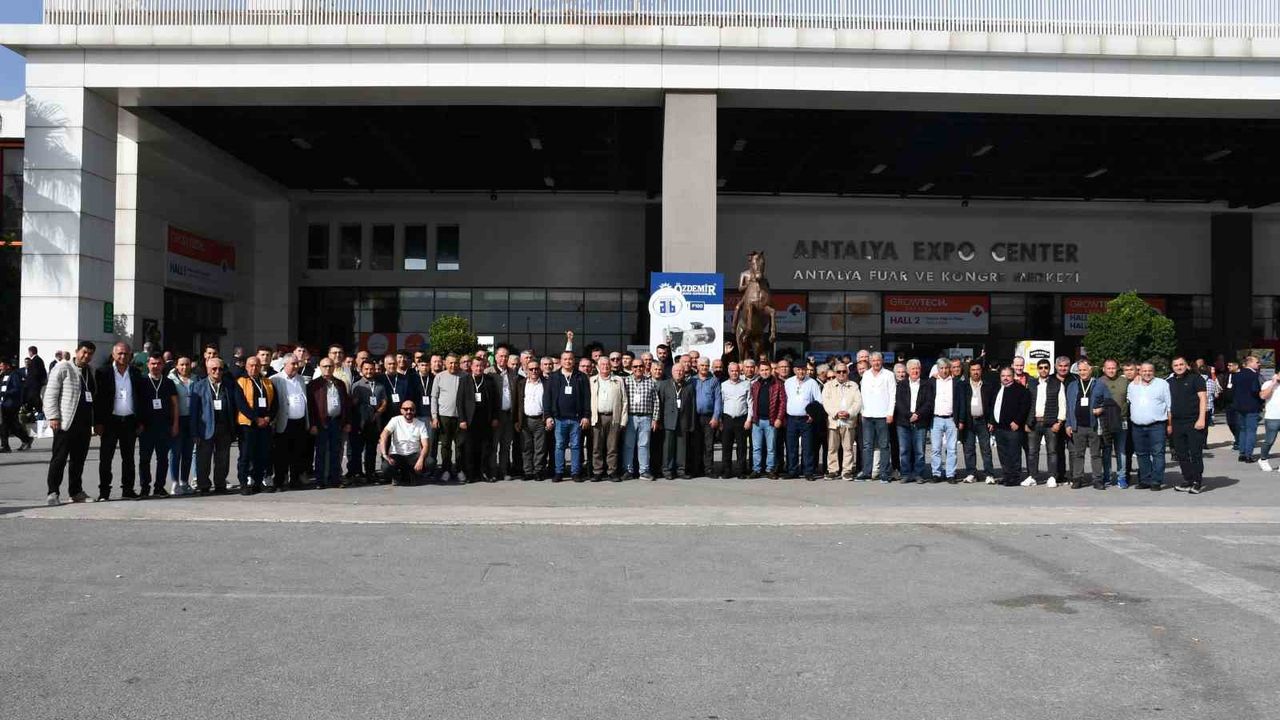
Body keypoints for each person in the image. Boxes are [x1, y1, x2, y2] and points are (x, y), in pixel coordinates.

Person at [43, 341, 96, 505]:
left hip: (84, 423)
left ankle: (76, 492)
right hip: (65, 422)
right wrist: (53, 416)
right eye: (84, 352)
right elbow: (50, 393)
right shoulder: (63, 367)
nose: (86, 356)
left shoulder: (90, 371)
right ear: (77, 351)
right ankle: (53, 492)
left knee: (78, 460)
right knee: (59, 459)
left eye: (90, 354)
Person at [95, 341, 145, 501]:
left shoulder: (136, 373)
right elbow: (98, 399)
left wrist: (140, 421)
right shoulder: (103, 372)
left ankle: (128, 490)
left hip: (129, 421)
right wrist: (98, 422)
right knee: (106, 458)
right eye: (120, 353)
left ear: (130, 355)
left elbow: (141, 398)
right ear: (113, 354)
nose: (123, 356)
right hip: (110, 421)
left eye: (126, 353)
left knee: (129, 458)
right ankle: (104, 492)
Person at [189, 357, 243, 495]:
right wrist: (194, 433)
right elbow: (194, 412)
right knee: (203, 459)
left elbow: (234, 407)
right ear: (208, 370)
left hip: (224, 427)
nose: (217, 371)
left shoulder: (229, 385)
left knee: (223, 459)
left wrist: (234, 430)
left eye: (220, 369)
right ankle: (204, 485)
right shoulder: (198, 386)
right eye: (214, 369)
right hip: (205, 429)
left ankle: (220, 484)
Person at [1065, 357, 1113, 490]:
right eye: (1080, 370)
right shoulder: (1072, 386)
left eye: (1084, 370)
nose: (1082, 372)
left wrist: (1101, 409)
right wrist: (1068, 424)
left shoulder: (1100, 385)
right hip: (1077, 426)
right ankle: (1077, 478)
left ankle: (1097, 479)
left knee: (1095, 454)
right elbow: (1068, 406)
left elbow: (1109, 402)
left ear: (1090, 369)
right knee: (1078, 454)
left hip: (1094, 426)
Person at [545, 351, 591, 482]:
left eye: (570, 359)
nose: (568, 361)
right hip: (559, 418)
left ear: (574, 361)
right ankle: (559, 472)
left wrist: (586, 415)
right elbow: (547, 397)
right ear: (561, 361)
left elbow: (587, 398)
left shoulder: (581, 376)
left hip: (577, 418)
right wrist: (548, 416)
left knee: (576, 446)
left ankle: (575, 472)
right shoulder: (554, 377)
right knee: (559, 446)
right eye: (565, 359)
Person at [1127, 362, 1172, 491]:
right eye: (1144, 371)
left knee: (1158, 453)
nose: (1147, 373)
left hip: (1157, 425)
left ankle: (1156, 481)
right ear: (1140, 372)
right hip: (1137, 426)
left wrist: (1170, 424)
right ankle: (1145, 480)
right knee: (1141, 454)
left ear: (1154, 371)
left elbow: (1169, 406)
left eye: (1150, 371)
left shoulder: (1162, 384)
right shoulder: (1133, 385)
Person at [236, 355, 276, 495]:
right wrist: (256, 419)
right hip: (247, 424)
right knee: (246, 455)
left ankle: (259, 482)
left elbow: (275, 403)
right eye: (251, 365)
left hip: (265, 424)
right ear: (246, 367)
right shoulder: (241, 382)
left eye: (257, 365)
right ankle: (244, 483)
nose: (254, 368)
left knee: (263, 453)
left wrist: (268, 417)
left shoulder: (267, 382)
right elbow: (241, 404)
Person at [307, 355, 350, 489]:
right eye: (325, 366)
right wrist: (313, 424)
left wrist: (346, 422)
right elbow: (310, 407)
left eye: (330, 366)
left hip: (336, 422)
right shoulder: (314, 385)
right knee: (321, 452)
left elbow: (346, 404)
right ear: (320, 368)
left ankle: (335, 479)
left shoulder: (340, 383)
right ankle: (320, 480)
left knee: (335, 451)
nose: (328, 368)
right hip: (321, 423)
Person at [270, 356, 311, 491]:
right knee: (281, 455)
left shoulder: (300, 379)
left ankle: (295, 480)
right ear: (285, 364)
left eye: (297, 364)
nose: (296, 366)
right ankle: (279, 481)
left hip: (299, 422)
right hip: (284, 422)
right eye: (293, 364)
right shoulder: (275, 379)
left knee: (298, 453)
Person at [1168, 356, 1207, 494]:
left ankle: (1197, 481)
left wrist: (1201, 419)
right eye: (1176, 365)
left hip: (1194, 421)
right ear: (1172, 367)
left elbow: (1203, 399)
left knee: (1195, 453)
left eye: (1181, 364)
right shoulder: (1169, 382)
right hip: (1177, 422)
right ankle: (1188, 479)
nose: (1179, 367)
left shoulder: (1196, 379)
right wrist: (1169, 423)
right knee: (1181, 453)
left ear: (1186, 365)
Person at [1024, 359, 1066, 487]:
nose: (1043, 370)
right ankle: (1032, 476)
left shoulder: (1057, 384)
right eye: (1041, 367)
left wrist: (1059, 422)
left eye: (1046, 367)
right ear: (1037, 369)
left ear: (1049, 369)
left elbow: (1062, 404)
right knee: (1032, 452)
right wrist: (1026, 422)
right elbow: (1027, 404)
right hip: (1034, 423)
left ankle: (1052, 477)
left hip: (1050, 423)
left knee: (1052, 451)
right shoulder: (1031, 383)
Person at [989, 366, 1031, 487]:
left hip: (1013, 428)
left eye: (1008, 376)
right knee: (1003, 454)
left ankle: (1015, 478)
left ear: (1013, 376)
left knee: (1014, 454)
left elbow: (1024, 407)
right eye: (1003, 376)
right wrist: (992, 421)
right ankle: (1007, 476)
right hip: (999, 427)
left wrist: (1017, 421)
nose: (1005, 378)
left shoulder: (1020, 390)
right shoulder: (997, 388)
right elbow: (993, 406)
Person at [460, 356, 499, 482]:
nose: (479, 368)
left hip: (485, 419)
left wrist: (495, 417)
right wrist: (462, 419)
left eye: (481, 366)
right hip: (469, 420)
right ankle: (470, 474)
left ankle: (484, 472)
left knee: (485, 448)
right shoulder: (464, 380)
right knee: (469, 448)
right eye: (476, 366)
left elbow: (495, 400)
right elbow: (460, 401)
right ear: (471, 367)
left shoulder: (489, 380)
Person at [928, 358, 967, 484]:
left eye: (946, 368)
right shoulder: (932, 382)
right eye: (941, 368)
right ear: (937, 369)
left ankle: (951, 474)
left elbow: (961, 402)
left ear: (949, 369)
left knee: (952, 449)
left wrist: (961, 420)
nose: (944, 371)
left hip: (951, 419)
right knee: (935, 448)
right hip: (936, 419)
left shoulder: (956, 382)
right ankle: (936, 473)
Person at [589, 356, 628, 481]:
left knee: (612, 447)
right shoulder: (592, 380)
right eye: (602, 364)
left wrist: (623, 420)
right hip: (597, 417)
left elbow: (624, 401)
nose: (605, 367)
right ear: (597, 367)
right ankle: (597, 471)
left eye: (607, 364)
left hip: (613, 417)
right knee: (597, 446)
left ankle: (612, 471)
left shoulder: (618, 380)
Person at [893, 359, 933, 483]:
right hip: (903, 422)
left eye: (917, 368)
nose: (915, 371)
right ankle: (905, 474)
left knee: (919, 451)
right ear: (908, 371)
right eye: (913, 369)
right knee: (904, 450)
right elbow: (899, 403)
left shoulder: (926, 385)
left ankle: (918, 474)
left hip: (920, 421)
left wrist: (918, 414)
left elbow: (929, 403)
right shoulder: (901, 385)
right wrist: (909, 415)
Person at [784, 362, 824, 480]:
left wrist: (813, 414)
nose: (801, 372)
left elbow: (819, 400)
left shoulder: (812, 383)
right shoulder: (788, 382)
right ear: (794, 370)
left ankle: (808, 472)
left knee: (807, 447)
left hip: (806, 420)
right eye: (798, 369)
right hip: (791, 418)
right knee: (791, 447)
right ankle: (792, 471)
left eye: (803, 369)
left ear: (806, 370)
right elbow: (785, 399)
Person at [821, 362, 861, 480]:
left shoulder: (853, 385)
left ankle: (847, 471)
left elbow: (858, 402)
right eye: (839, 372)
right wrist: (836, 413)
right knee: (832, 448)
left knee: (848, 448)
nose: (841, 374)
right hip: (834, 421)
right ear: (835, 373)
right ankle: (833, 470)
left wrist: (849, 413)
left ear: (847, 372)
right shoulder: (828, 386)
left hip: (849, 421)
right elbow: (826, 402)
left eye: (844, 371)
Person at [657, 362, 697, 480]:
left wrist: (691, 423)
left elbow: (692, 406)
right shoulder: (664, 385)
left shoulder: (689, 386)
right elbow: (660, 404)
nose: (679, 373)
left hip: (683, 421)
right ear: (672, 372)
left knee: (682, 447)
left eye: (681, 371)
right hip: (668, 421)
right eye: (676, 371)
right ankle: (667, 470)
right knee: (668, 447)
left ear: (684, 373)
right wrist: (659, 420)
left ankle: (681, 470)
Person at [351, 359, 388, 484]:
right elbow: (353, 404)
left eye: (371, 369)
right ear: (361, 370)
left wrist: (378, 412)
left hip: (374, 422)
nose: (369, 371)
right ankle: (357, 473)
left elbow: (384, 402)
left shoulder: (380, 386)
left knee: (371, 450)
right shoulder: (357, 385)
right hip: (360, 423)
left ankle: (370, 473)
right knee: (357, 450)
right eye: (366, 369)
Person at [379, 399, 431, 486]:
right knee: (385, 467)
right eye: (406, 409)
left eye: (411, 409)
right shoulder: (395, 420)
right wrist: (385, 455)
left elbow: (425, 445)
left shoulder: (420, 424)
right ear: (401, 410)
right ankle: (397, 477)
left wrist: (421, 459)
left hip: (413, 455)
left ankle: (413, 474)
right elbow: (383, 435)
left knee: (430, 462)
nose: (408, 411)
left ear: (415, 411)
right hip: (397, 455)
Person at [622, 358, 659, 480]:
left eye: (640, 366)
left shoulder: (650, 382)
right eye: (635, 366)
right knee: (628, 445)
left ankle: (644, 471)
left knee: (644, 445)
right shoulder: (625, 381)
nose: (638, 368)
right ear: (631, 368)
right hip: (630, 417)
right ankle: (628, 470)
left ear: (644, 368)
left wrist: (655, 419)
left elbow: (656, 402)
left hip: (646, 417)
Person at [960, 359, 995, 484]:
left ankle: (989, 474)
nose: (975, 372)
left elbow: (992, 404)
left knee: (986, 449)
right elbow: (960, 404)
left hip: (983, 421)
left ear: (981, 371)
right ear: (969, 371)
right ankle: (971, 473)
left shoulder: (987, 385)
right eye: (973, 370)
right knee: (969, 449)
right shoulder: (963, 386)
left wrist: (991, 421)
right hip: (968, 421)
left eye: (978, 370)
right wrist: (960, 420)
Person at [430, 354, 464, 482]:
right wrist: (434, 416)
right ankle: (446, 470)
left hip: (460, 416)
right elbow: (434, 397)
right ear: (445, 363)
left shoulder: (464, 376)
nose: (453, 365)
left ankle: (459, 469)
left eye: (455, 363)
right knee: (445, 445)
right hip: (444, 416)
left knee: (460, 445)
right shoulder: (439, 377)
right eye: (450, 363)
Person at [749, 358, 784, 479]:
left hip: (771, 421)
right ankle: (756, 469)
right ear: (758, 371)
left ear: (771, 370)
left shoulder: (778, 384)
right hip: (757, 421)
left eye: (767, 370)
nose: (764, 372)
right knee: (756, 448)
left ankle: (770, 470)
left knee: (771, 448)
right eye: (762, 370)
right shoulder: (755, 385)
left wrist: (779, 418)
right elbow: (751, 402)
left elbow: (782, 403)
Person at [166, 355, 196, 495]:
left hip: (191, 420)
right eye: (182, 364)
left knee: (188, 453)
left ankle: (184, 482)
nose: (184, 367)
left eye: (187, 364)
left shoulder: (195, 379)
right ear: (176, 366)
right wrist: (173, 423)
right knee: (175, 452)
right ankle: (175, 482)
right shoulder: (170, 380)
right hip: (177, 419)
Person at [1099, 359, 1131, 488]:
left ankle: (1121, 477)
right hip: (1105, 420)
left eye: (1113, 368)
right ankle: (1107, 476)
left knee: (1121, 450)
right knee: (1106, 450)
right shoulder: (1099, 382)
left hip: (1121, 420)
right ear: (1103, 369)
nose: (1111, 370)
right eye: (1108, 368)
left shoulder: (1124, 381)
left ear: (1117, 368)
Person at [515, 358, 548, 479]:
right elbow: (516, 403)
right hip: (525, 420)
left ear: (540, 369)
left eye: (536, 368)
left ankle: (538, 471)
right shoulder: (521, 384)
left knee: (540, 448)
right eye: (531, 369)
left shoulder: (546, 383)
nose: (534, 371)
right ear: (527, 370)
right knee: (526, 447)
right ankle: (528, 471)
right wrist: (517, 421)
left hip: (540, 420)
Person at [719, 361, 752, 479]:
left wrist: (749, 419)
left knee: (742, 447)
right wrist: (720, 420)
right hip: (727, 418)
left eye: (736, 370)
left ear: (740, 371)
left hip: (742, 419)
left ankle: (741, 471)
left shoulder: (746, 384)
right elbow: (720, 403)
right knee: (726, 446)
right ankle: (727, 470)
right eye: (732, 371)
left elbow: (750, 403)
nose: (734, 373)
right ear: (728, 372)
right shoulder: (723, 385)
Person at [491, 348, 520, 480]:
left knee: (506, 445)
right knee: (493, 445)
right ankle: (492, 471)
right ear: (496, 357)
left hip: (509, 414)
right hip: (496, 415)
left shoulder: (513, 373)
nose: (503, 359)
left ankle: (504, 471)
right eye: (501, 356)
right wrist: (493, 416)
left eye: (506, 356)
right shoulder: (490, 372)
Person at [691, 358, 722, 478]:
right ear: (698, 366)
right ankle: (697, 469)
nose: (704, 367)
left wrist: (715, 417)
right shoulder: (692, 380)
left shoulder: (714, 381)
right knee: (696, 444)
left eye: (706, 365)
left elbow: (718, 400)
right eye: (702, 365)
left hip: (709, 417)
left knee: (708, 445)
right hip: (695, 417)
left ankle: (708, 469)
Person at [1233, 355, 1263, 462]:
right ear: (1250, 363)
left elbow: (1234, 391)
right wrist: (1261, 402)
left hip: (1239, 406)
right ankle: (1248, 455)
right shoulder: (1254, 375)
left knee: (1243, 430)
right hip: (1252, 406)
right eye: (1257, 362)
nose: (1259, 364)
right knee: (1251, 431)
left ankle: (1242, 453)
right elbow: (1255, 390)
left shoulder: (1236, 375)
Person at [0, 358, 33, 452]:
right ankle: (26, 439)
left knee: (5, 425)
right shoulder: (3, 375)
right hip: (4, 403)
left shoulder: (14, 375)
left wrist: (5, 393)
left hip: (11, 404)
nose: (0, 368)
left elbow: (17, 389)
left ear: (7, 366)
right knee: (10, 425)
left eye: (2, 366)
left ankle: (5, 446)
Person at [1256, 372, 1280, 474]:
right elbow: (1263, 396)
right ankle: (1263, 459)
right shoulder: (1268, 383)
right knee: (1269, 441)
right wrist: (1273, 384)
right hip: (1272, 417)